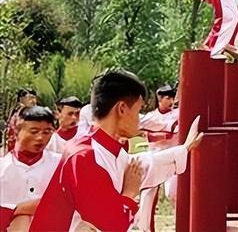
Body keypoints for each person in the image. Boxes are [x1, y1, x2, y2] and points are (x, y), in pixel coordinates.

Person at [29, 70, 203, 231]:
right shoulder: (84, 156)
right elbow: (111, 223)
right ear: (121, 109)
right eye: (137, 111)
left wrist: (185, 149)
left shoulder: (107, 149)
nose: (138, 119)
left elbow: (142, 165)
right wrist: (129, 193)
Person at [0, 106, 60, 231]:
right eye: (34, 131)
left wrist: (15, 209)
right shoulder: (3, 168)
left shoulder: (60, 165)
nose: (40, 138)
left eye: (47, 132)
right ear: (16, 132)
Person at [137, 84, 180, 232]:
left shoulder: (178, 113)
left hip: (172, 159)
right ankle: (147, 229)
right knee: (148, 196)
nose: (171, 101)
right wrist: (156, 135)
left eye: (172, 97)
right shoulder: (150, 116)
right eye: (168, 98)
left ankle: (181, 225)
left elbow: (173, 131)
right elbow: (139, 132)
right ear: (160, 98)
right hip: (154, 158)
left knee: (173, 193)